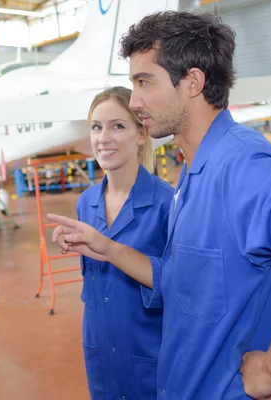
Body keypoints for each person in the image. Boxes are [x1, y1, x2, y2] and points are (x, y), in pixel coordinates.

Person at [48, 11, 271, 400]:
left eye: (144, 82)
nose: (135, 101)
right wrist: (107, 248)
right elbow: (188, 287)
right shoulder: (193, 174)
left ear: (193, 83)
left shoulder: (241, 164)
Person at [77, 86, 173, 399]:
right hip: (102, 357)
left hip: (150, 356)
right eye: (96, 127)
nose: (103, 138)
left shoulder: (166, 204)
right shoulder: (85, 204)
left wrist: (112, 251)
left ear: (142, 134)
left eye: (118, 126)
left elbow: (177, 284)